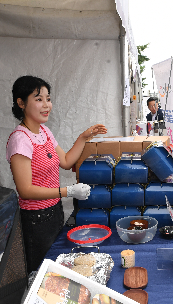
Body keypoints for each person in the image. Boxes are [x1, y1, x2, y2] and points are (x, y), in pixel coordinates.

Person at [6, 75, 107, 273]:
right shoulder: (20, 140)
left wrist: (83, 137)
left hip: (55, 212)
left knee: (56, 267)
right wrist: (68, 191)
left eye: (48, 98)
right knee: (41, 271)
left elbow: (66, 161)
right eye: (38, 99)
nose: (46, 105)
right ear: (21, 103)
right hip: (35, 219)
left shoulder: (44, 132)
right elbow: (25, 190)